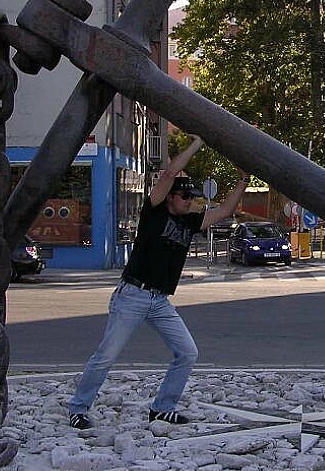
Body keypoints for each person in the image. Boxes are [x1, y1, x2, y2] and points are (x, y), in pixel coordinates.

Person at [68, 135, 250, 429]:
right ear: (170, 197)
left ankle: (162, 407)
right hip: (133, 295)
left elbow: (225, 211)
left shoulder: (190, 222)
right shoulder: (152, 212)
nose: (191, 201)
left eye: (193, 197)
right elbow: (168, 174)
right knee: (106, 355)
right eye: (185, 197)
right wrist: (198, 143)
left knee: (188, 352)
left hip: (159, 300)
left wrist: (243, 180)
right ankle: (78, 407)